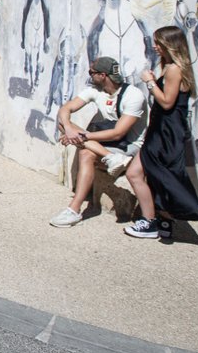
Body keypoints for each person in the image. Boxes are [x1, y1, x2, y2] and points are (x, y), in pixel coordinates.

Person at [122, 26, 198, 239]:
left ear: (170, 44)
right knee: (160, 174)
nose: (155, 46)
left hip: (165, 131)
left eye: (158, 42)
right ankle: (164, 221)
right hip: (165, 130)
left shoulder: (174, 69)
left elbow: (167, 102)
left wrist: (150, 82)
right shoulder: (174, 67)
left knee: (135, 173)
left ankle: (150, 222)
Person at [49, 56, 148, 228]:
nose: (90, 75)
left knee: (85, 150)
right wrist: (69, 128)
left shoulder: (133, 95)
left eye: (91, 72)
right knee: (66, 128)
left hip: (130, 145)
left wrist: (80, 137)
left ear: (102, 75)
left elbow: (118, 133)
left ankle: (74, 209)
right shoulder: (96, 90)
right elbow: (66, 108)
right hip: (107, 145)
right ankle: (109, 158)